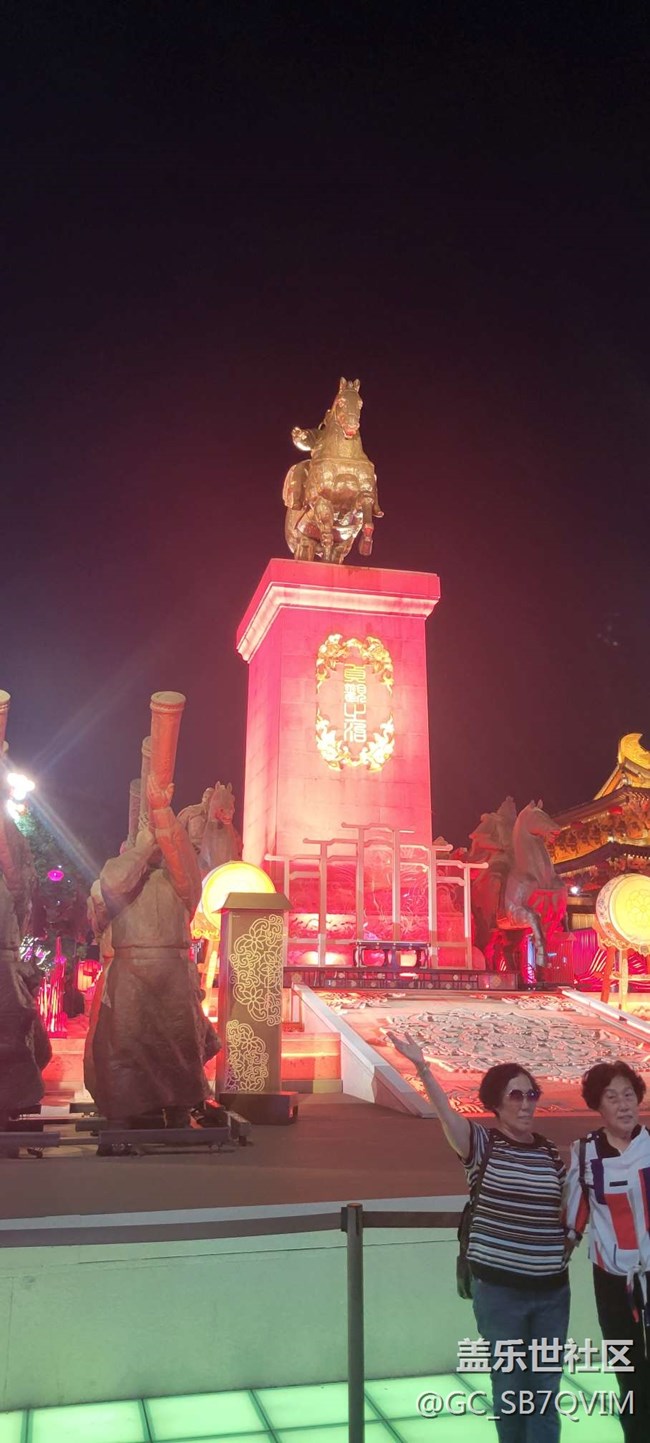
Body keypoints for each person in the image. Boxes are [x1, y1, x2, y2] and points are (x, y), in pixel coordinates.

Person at [388, 1031, 570, 1443]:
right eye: (515, 1095)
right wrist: (422, 1067)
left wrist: (567, 1246)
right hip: (501, 1293)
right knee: (510, 1388)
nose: (526, 1104)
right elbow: (446, 1115)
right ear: (495, 1103)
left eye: (531, 1094)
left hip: (552, 1293)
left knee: (545, 1391)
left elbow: (566, 1209)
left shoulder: (548, 1153)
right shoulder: (481, 1145)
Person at [84, 773, 220, 1147]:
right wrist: (143, 849)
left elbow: (184, 865)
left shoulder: (179, 881)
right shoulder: (121, 874)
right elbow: (113, 882)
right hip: (129, 974)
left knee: (178, 1045)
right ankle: (121, 1113)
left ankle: (178, 1111)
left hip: (172, 972)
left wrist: (163, 815)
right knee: (122, 1046)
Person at [564, 1061, 650, 1442]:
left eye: (629, 1095)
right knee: (628, 1373)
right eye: (612, 1097)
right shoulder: (585, 1153)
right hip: (612, 1282)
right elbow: (574, 1218)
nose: (623, 1104)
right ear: (598, 1106)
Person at [0, 805, 52, 1133]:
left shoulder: (9, 888)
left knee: (20, 1046)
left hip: (7, 972)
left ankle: (8, 1110)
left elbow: (17, 883)